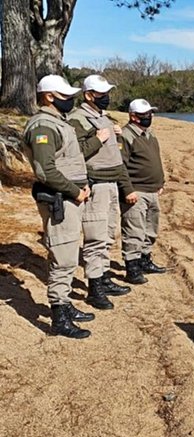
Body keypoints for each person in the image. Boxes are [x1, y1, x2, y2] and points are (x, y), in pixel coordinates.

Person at [22, 75, 94, 338]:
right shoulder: (43, 126)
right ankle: (59, 317)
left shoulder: (57, 122)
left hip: (69, 197)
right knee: (62, 258)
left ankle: (65, 304)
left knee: (68, 253)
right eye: (65, 96)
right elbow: (45, 170)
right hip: (60, 199)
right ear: (49, 96)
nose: (70, 100)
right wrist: (75, 191)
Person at [68, 74, 134, 310]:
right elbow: (74, 154)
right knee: (95, 237)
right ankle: (94, 288)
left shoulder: (101, 116)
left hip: (111, 183)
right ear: (88, 95)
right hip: (96, 184)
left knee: (107, 234)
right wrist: (98, 139)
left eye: (107, 94)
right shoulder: (78, 119)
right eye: (102, 94)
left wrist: (113, 132)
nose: (106, 98)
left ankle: (104, 277)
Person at [119, 98, 167, 284]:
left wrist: (160, 182)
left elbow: (155, 160)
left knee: (150, 229)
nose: (149, 117)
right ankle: (132, 268)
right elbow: (121, 166)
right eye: (144, 115)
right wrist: (128, 190)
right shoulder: (126, 135)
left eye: (150, 113)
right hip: (136, 191)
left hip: (153, 190)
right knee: (134, 231)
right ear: (133, 116)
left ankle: (145, 260)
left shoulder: (149, 134)